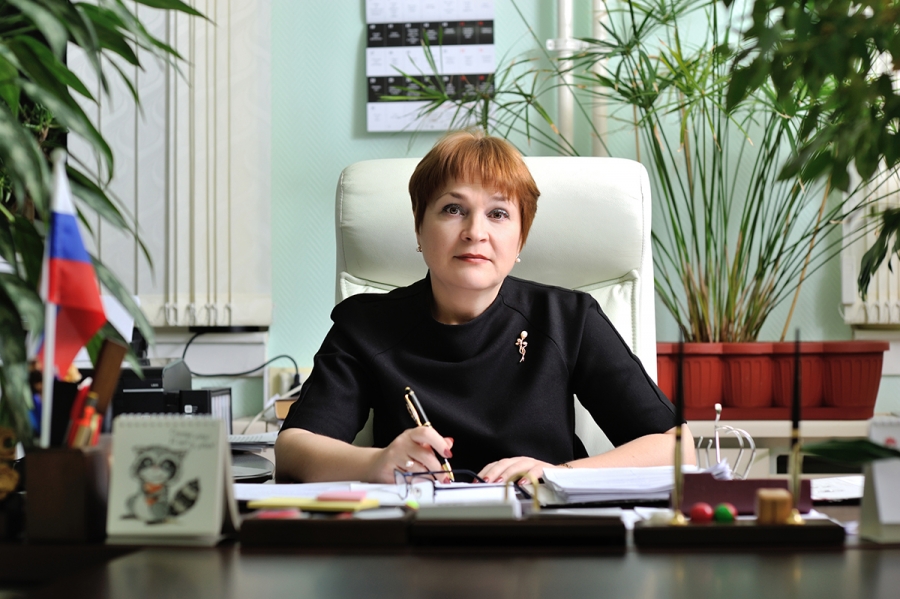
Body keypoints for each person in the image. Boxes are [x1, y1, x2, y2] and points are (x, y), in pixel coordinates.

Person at [275, 130, 694, 484]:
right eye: (453, 209)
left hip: (544, 533)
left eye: (498, 213)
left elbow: (678, 448)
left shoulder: (568, 319)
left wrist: (559, 474)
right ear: (419, 227)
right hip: (416, 536)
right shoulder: (366, 324)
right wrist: (377, 463)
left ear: (520, 239)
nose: (475, 232)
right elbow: (293, 449)